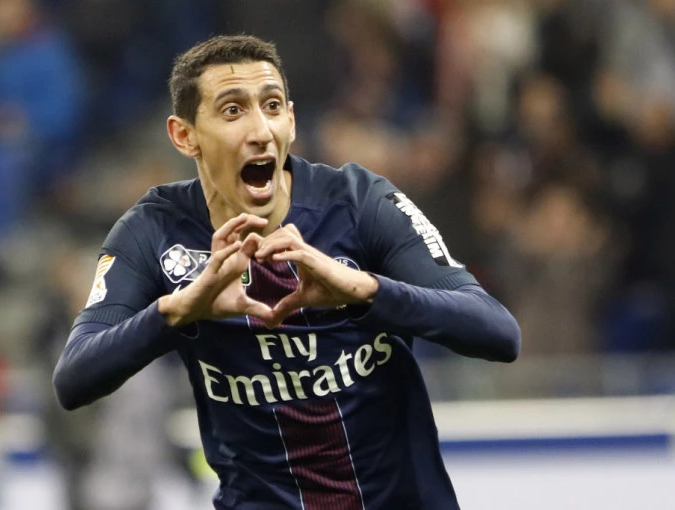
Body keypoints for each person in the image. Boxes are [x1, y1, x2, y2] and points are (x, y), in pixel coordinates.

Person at [53, 34, 521, 509]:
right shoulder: (153, 231)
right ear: (184, 135)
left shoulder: (360, 204)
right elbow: (73, 378)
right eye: (233, 110)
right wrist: (178, 311)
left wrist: (365, 291)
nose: (261, 130)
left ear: (291, 121)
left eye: (272, 106)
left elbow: (498, 332)